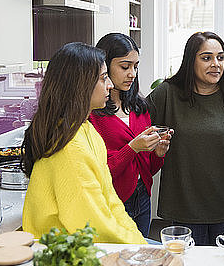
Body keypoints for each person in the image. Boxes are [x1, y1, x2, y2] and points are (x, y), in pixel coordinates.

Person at [21, 42, 146, 244]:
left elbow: (111, 201)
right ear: (80, 83)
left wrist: (138, 241)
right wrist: (141, 248)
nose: (110, 85)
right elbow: (95, 225)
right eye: (103, 78)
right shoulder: (69, 148)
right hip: (66, 256)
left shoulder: (86, 130)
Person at [147, 31, 224, 246]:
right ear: (191, 61)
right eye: (207, 58)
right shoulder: (167, 94)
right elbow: (136, 124)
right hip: (184, 209)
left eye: (221, 57)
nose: (216, 64)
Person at [89, 33, 172, 237]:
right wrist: (133, 147)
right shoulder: (92, 114)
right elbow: (98, 171)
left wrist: (158, 154)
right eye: (124, 66)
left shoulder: (139, 107)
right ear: (104, 65)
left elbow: (146, 168)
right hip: (112, 202)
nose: (132, 73)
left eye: (135, 66)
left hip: (142, 199)